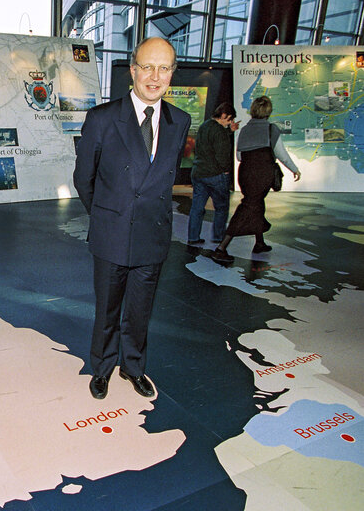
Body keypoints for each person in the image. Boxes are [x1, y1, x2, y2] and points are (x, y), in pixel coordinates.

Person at [73, 37, 191, 399]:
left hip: (152, 236)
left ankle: (134, 367)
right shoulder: (103, 118)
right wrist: (109, 215)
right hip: (111, 233)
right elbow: (84, 178)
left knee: (140, 311)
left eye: (164, 68)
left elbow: (165, 177)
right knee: (107, 310)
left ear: (172, 73)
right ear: (134, 70)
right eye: (148, 67)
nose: (155, 77)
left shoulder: (180, 121)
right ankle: (103, 368)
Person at [212, 96, 301, 263]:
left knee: (256, 203)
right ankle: (221, 248)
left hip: (245, 173)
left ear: (253, 110)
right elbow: (282, 154)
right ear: (268, 111)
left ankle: (259, 243)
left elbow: (239, 156)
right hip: (262, 173)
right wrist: (295, 170)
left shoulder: (244, 129)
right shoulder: (271, 129)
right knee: (249, 206)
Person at [187, 103, 239, 245]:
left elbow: (212, 141)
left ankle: (193, 237)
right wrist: (226, 171)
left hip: (198, 173)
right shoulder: (220, 131)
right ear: (223, 115)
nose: (230, 123)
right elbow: (222, 154)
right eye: (229, 119)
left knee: (197, 208)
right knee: (221, 208)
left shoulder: (205, 125)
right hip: (215, 175)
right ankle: (218, 237)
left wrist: (230, 131)